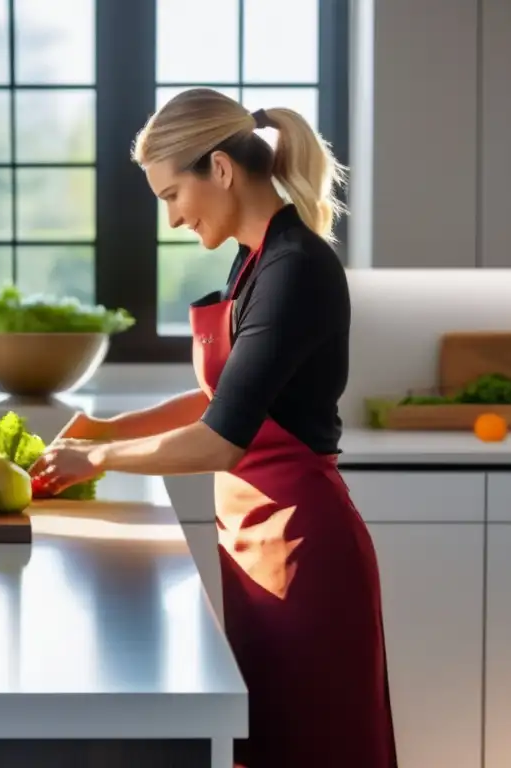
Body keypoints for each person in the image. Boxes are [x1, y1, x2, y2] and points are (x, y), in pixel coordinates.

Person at [29, 88, 398, 768]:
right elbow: (222, 397)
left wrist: (101, 458)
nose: (170, 218)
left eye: (173, 195)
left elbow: (220, 440)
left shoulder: (296, 269)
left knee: (315, 748)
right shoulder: (255, 259)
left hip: (303, 553)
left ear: (221, 170)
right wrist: (107, 429)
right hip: (253, 550)